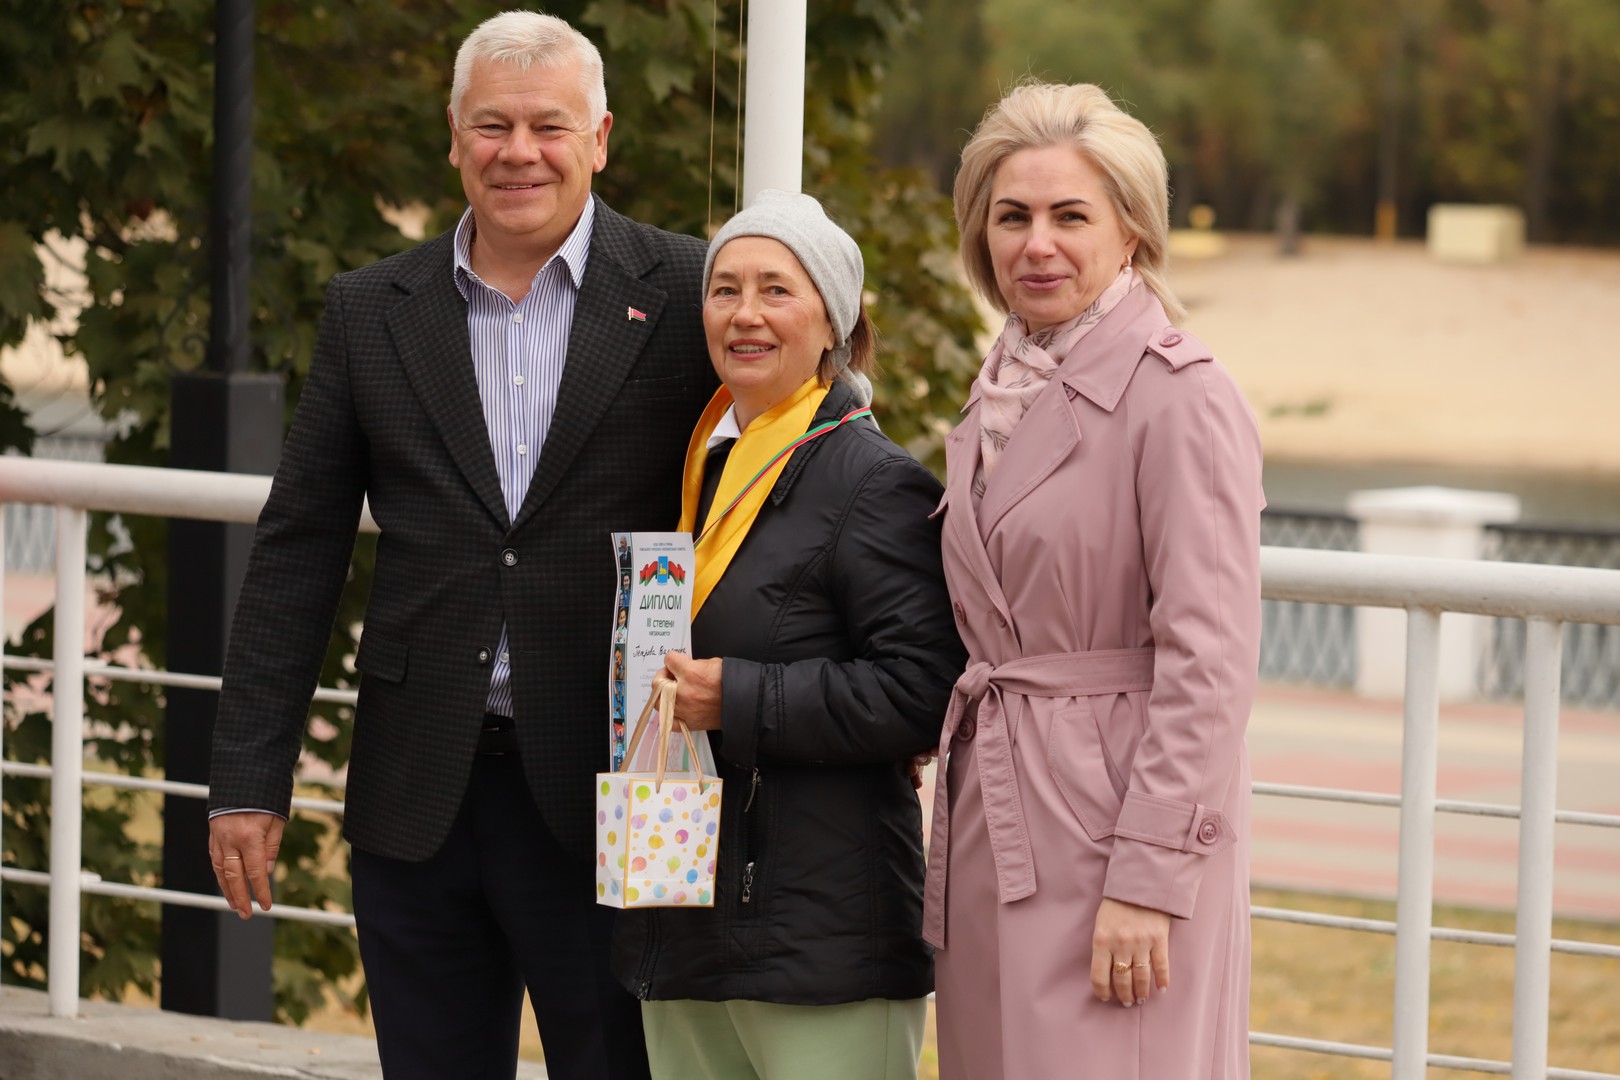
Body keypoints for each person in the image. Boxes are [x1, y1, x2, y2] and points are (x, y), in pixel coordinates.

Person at [204, 12, 714, 1079]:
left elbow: (779, 487)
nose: (518, 152)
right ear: (452, 137)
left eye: (549, 126)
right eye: (492, 125)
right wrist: (250, 779)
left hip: (617, 794)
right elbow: (298, 549)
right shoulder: (370, 310)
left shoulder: (687, 293)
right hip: (417, 796)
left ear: (600, 138)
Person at [925, 82, 1263, 1080]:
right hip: (995, 820)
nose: (1038, 245)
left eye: (1070, 216)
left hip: (1117, 829)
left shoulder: (1182, 397)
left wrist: (1151, 876)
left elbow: (1211, 662)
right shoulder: (998, 388)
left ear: (1132, 233)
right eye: (1012, 217)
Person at [611, 190, 965, 1080]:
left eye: (777, 289)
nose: (745, 313)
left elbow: (924, 690)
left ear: (832, 321)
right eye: (724, 289)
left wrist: (736, 696)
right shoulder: (698, 465)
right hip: (683, 907)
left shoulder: (872, 480)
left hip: (820, 938)